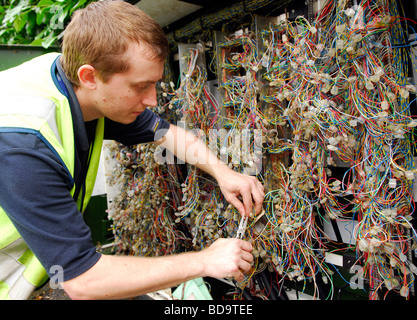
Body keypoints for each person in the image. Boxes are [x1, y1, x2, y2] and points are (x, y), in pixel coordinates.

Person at [0, 0, 264, 300]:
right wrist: (205, 261)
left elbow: (164, 133)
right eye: (141, 86)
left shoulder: (71, 79)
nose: (152, 99)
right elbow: (83, 281)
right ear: (90, 77)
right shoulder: (23, 143)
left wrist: (224, 173)